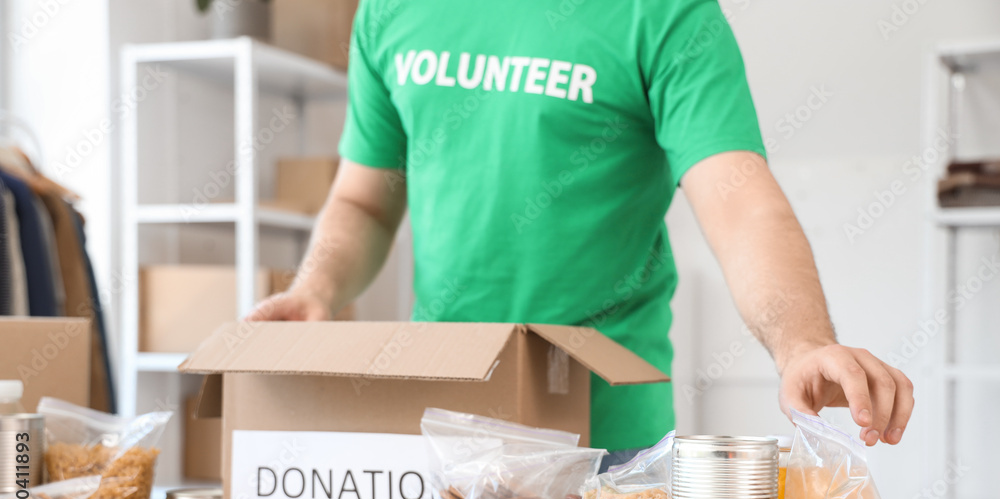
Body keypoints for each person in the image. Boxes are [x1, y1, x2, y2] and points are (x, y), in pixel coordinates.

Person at [249, 0, 914, 465]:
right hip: (445, 427)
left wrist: (803, 342)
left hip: (607, 445)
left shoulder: (668, 12)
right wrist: (318, 290)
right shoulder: (392, 9)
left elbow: (741, 204)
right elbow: (364, 201)